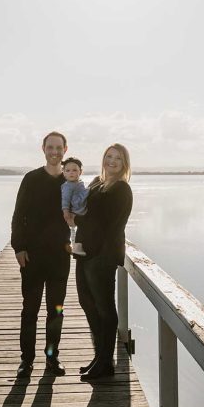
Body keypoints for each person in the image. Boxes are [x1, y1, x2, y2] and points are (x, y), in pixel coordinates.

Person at [11, 131, 71, 377]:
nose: (54, 152)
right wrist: (18, 247)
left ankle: (52, 358)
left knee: (56, 311)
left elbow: (83, 214)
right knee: (30, 310)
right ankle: (26, 361)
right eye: (50, 147)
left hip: (60, 256)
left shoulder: (70, 181)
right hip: (33, 257)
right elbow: (18, 215)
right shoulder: (31, 179)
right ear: (43, 149)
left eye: (58, 148)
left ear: (65, 150)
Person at [73, 143, 133, 381]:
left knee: (104, 308)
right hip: (85, 253)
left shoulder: (121, 189)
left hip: (103, 256)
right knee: (87, 303)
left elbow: (105, 222)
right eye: (109, 156)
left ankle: (106, 363)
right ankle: (99, 356)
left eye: (118, 158)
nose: (112, 161)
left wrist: (76, 218)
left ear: (124, 164)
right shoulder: (97, 182)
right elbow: (85, 210)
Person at [61, 157, 89, 256]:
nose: (71, 173)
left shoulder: (79, 183)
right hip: (76, 211)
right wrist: (66, 212)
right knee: (74, 230)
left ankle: (79, 246)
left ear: (80, 172)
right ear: (64, 173)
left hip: (82, 208)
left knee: (80, 230)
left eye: (74, 170)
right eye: (68, 171)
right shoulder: (68, 186)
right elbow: (65, 200)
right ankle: (75, 247)